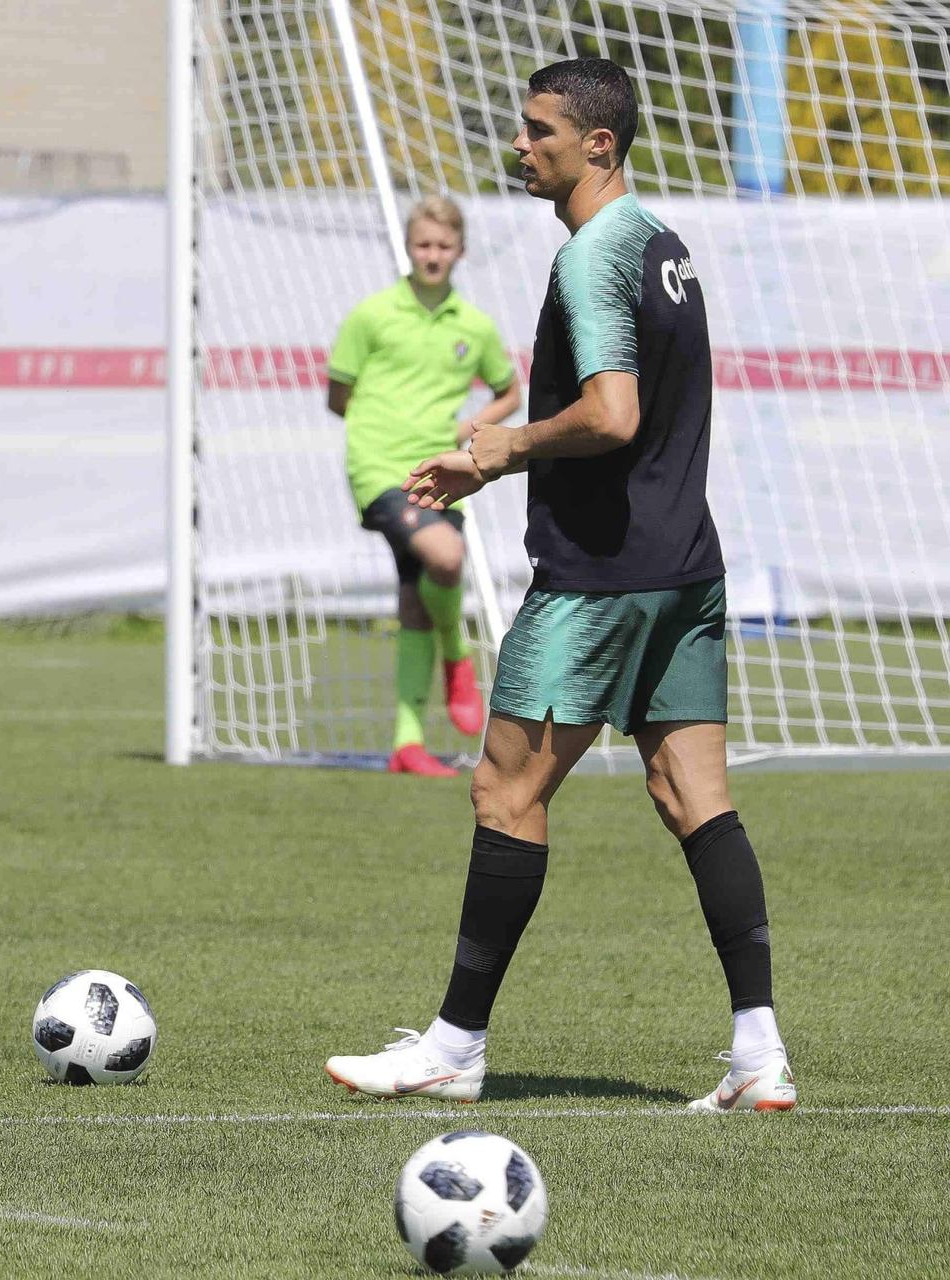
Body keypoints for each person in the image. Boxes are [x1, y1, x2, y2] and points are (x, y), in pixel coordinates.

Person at [324, 58, 794, 1113]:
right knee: (692, 795)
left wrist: (501, 448)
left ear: (600, 147)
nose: (520, 146)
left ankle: (452, 1043)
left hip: (600, 579)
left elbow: (614, 413)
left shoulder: (593, 259)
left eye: (539, 131)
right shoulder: (667, 249)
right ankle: (759, 1052)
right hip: (686, 566)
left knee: (505, 791)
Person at [327, 195, 520, 777]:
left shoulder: (474, 326)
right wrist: (381, 426)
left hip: (439, 470)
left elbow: (510, 391)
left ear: (460, 250)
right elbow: (339, 396)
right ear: (407, 248)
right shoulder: (372, 315)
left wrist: (468, 427)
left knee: (415, 595)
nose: (432, 255)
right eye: (422, 245)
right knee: (446, 554)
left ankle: (407, 744)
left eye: (442, 245)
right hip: (380, 469)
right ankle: (458, 655)